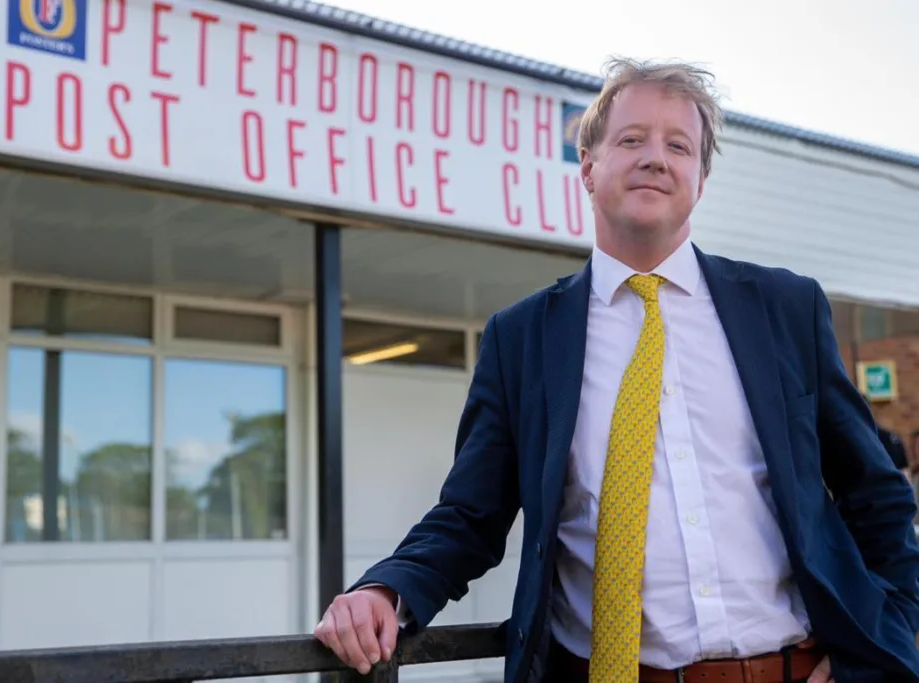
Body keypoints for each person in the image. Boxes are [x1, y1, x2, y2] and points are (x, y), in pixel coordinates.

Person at [313, 57, 919, 682]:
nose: (655, 157)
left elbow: (874, 494)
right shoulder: (521, 338)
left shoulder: (786, 309)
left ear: (700, 180)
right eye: (631, 139)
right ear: (588, 167)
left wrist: (892, 643)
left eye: (678, 145)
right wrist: (387, 588)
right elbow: (470, 513)